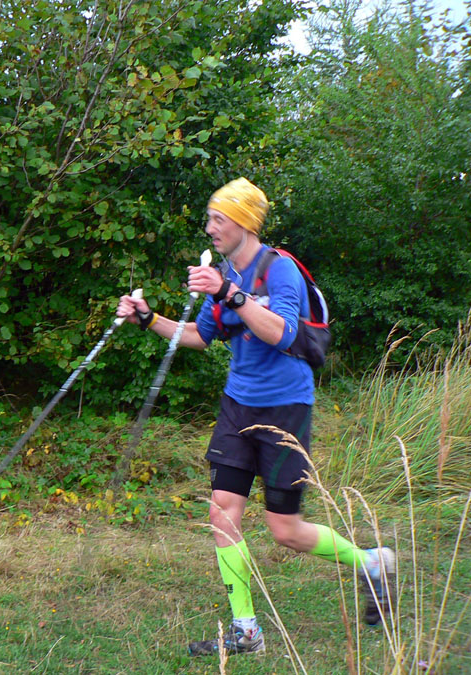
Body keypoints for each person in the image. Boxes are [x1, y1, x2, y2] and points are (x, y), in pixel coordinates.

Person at [116, 177, 395, 657]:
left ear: (244, 221)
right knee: (221, 511)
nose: (210, 228)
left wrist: (230, 293)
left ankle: (372, 562)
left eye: (218, 219)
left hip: (286, 407)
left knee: (285, 530)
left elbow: (282, 333)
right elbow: (200, 336)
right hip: (237, 405)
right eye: (209, 219)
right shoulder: (224, 273)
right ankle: (246, 630)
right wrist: (147, 318)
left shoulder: (278, 269)